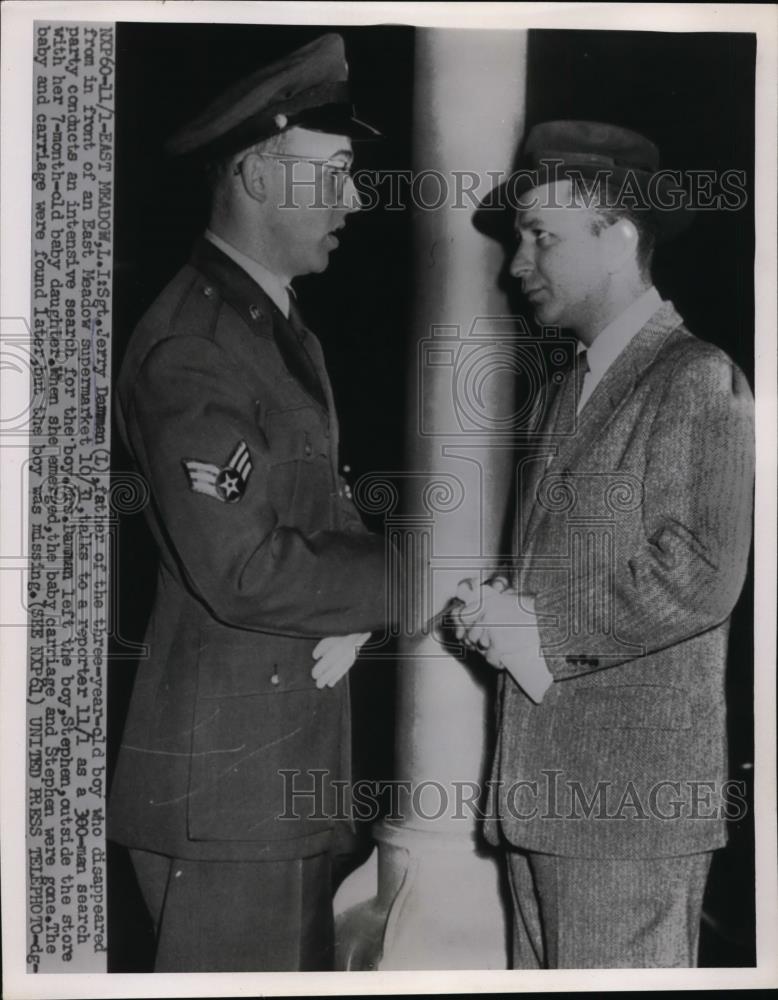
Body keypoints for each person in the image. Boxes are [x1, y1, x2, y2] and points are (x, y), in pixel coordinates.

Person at [107, 34, 392, 972]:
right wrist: (416, 578)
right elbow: (246, 568)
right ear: (264, 174)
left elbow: (323, 527)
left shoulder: (274, 327)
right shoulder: (192, 346)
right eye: (338, 172)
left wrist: (372, 596)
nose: (355, 199)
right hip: (227, 800)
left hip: (276, 779)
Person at [452, 121, 754, 968]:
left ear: (618, 235)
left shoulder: (699, 376)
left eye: (541, 236)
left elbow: (701, 571)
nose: (518, 264)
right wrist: (501, 610)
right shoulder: (570, 389)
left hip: (628, 818)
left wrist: (533, 628)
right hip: (543, 805)